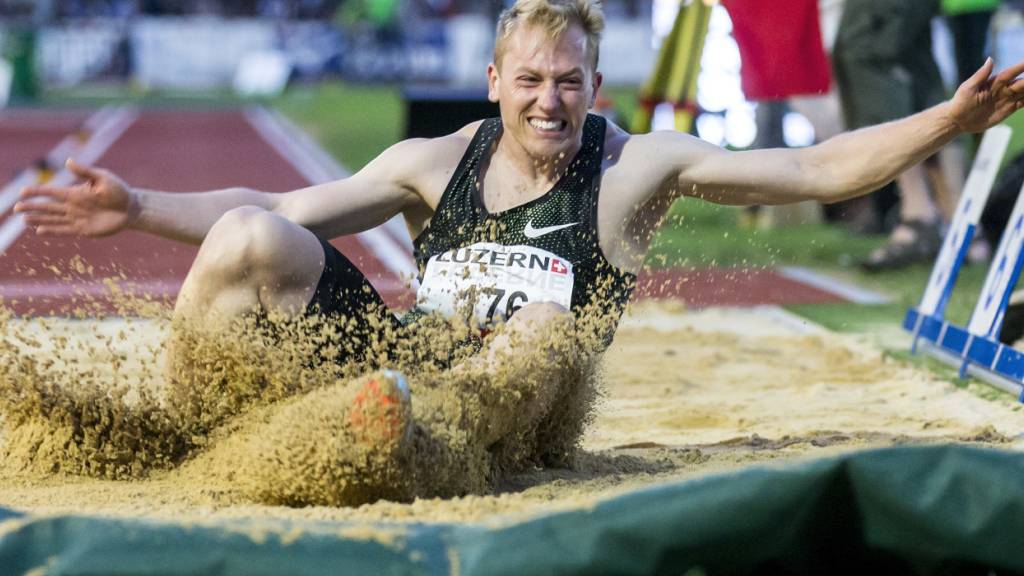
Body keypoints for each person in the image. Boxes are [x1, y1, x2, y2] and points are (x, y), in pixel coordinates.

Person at [11, 0, 1024, 506]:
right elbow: (276, 203)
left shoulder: (632, 172)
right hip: (399, 376)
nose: (551, 101)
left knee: (546, 325)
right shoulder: (431, 160)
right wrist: (139, 202)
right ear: (495, 79)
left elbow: (815, 174)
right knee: (249, 239)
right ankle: (194, 442)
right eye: (532, 80)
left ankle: (401, 448)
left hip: (504, 428)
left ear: (593, 84)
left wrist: (947, 118)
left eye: (571, 82)